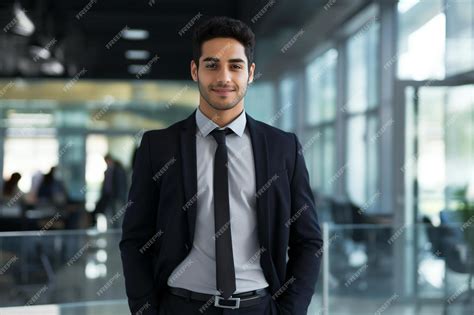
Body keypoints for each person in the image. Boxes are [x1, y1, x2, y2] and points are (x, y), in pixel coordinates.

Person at [120, 16, 323, 315]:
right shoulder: (158, 146)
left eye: (235, 66)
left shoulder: (283, 148)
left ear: (250, 73)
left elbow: (308, 241)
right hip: (181, 307)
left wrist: (290, 310)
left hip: (258, 307)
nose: (224, 77)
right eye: (212, 65)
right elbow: (136, 240)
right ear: (195, 70)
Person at [94, 154, 128, 227]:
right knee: (110, 216)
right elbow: (105, 186)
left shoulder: (119, 170)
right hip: (108, 197)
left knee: (118, 216)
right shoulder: (107, 171)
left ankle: (119, 233)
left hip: (117, 198)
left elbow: (122, 185)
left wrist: (121, 197)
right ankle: (112, 233)